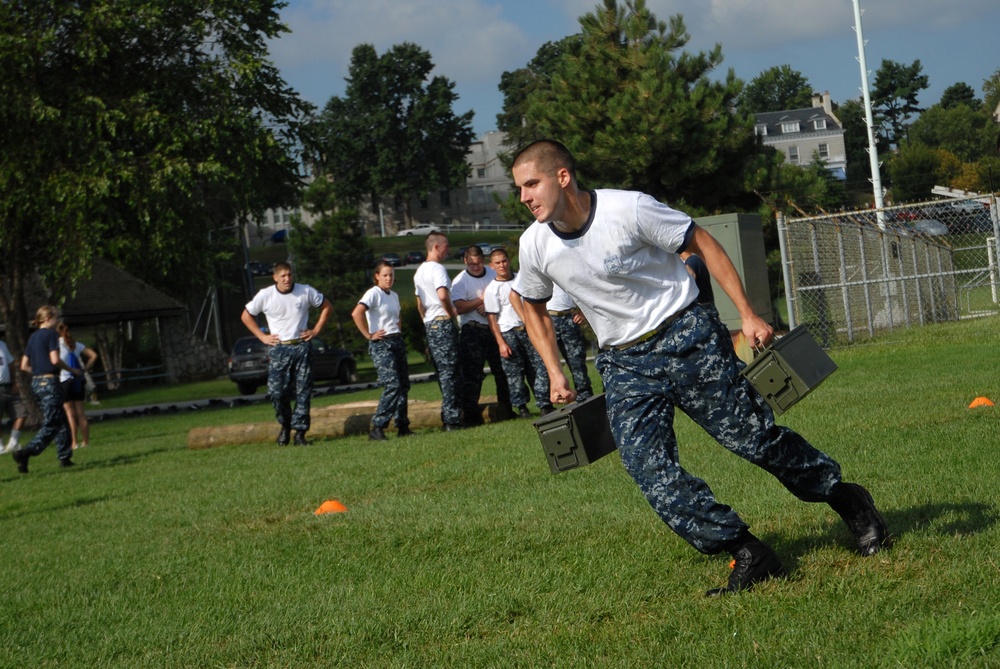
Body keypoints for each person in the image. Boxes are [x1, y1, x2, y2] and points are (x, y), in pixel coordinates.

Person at [510, 139, 890, 596]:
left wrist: (747, 314)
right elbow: (529, 303)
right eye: (519, 189)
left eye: (532, 184)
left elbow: (703, 243)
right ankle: (747, 550)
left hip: (686, 336)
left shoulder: (628, 210)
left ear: (563, 177)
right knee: (647, 468)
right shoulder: (534, 244)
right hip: (623, 363)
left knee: (753, 439)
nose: (525, 197)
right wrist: (554, 370)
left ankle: (847, 499)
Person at [241, 262, 332, 446]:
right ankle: (285, 425)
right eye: (283, 276)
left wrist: (315, 331)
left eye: (289, 275)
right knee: (277, 392)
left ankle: (300, 433)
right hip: (279, 348)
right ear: (275, 277)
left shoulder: (305, 291)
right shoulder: (266, 295)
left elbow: (327, 306)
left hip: (301, 346)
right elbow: (246, 315)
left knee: (303, 391)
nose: (287, 279)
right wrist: (262, 337)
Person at [12, 306, 85, 473]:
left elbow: (24, 365)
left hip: (36, 383)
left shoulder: (32, 338)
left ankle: (65, 457)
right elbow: (54, 360)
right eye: (56, 317)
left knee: (61, 420)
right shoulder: (51, 335)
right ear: (48, 319)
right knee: (52, 423)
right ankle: (27, 451)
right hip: (51, 383)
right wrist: (72, 370)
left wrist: (38, 373)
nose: (58, 320)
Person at [483, 248, 553, 418]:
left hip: (528, 329)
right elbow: (492, 319)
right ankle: (522, 407)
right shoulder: (492, 289)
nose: (502, 265)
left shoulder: (521, 280)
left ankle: (544, 403)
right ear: (492, 266)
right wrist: (501, 342)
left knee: (538, 367)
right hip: (509, 332)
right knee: (515, 373)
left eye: (504, 261)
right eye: (498, 263)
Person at [352, 260, 413, 441]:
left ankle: (403, 426)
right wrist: (369, 335)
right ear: (377, 276)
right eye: (385, 275)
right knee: (392, 384)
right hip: (382, 343)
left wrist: (398, 332)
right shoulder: (373, 293)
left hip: (396, 340)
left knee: (403, 385)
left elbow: (397, 317)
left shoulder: (393, 295)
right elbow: (357, 313)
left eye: (391, 275)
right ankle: (378, 426)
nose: (389, 279)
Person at [451, 245, 512, 423]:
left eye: (478, 264)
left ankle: (506, 409)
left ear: (483, 261)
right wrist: (481, 300)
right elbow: (460, 307)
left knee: (501, 371)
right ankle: (471, 415)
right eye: (471, 265)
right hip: (472, 330)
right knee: (473, 375)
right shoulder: (460, 281)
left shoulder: (493, 275)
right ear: (465, 261)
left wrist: (490, 304)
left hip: (494, 328)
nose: (475, 267)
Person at [413, 232, 463, 431]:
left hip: (431, 324)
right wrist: (451, 313)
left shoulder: (419, 272)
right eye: (446, 246)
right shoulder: (437, 269)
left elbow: (419, 304)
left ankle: (450, 415)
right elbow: (443, 295)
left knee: (443, 371)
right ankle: (452, 418)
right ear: (435, 247)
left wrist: (427, 321)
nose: (448, 250)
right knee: (450, 372)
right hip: (442, 323)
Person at [546, 284, 594, 401]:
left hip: (569, 317)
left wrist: (583, 312)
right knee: (545, 363)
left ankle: (585, 397)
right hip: (548, 318)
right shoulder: (538, 268)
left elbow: (584, 289)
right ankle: (545, 405)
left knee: (577, 361)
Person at [57, 322, 99, 450]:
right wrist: (84, 369)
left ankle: (74, 442)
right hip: (78, 381)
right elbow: (93, 355)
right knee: (81, 414)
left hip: (64, 380)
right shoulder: (75, 344)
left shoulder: (57, 345)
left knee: (70, 414)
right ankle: (86, 442)